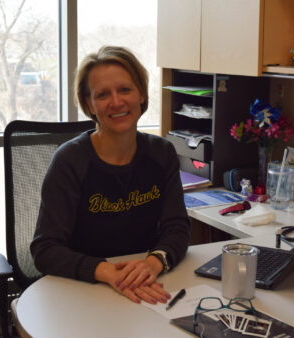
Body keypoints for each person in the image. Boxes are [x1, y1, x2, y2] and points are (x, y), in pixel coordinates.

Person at [30, 46, 190, 304]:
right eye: (103, 94)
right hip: (83, 291)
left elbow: (177, 227)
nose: (116, 102)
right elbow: (45, 249)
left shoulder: (162, 153)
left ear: (141, 94)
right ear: (88, 104)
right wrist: (108, 272)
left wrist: (153, 262)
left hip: (147, 285)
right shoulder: (70, 161)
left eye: (125, 89)